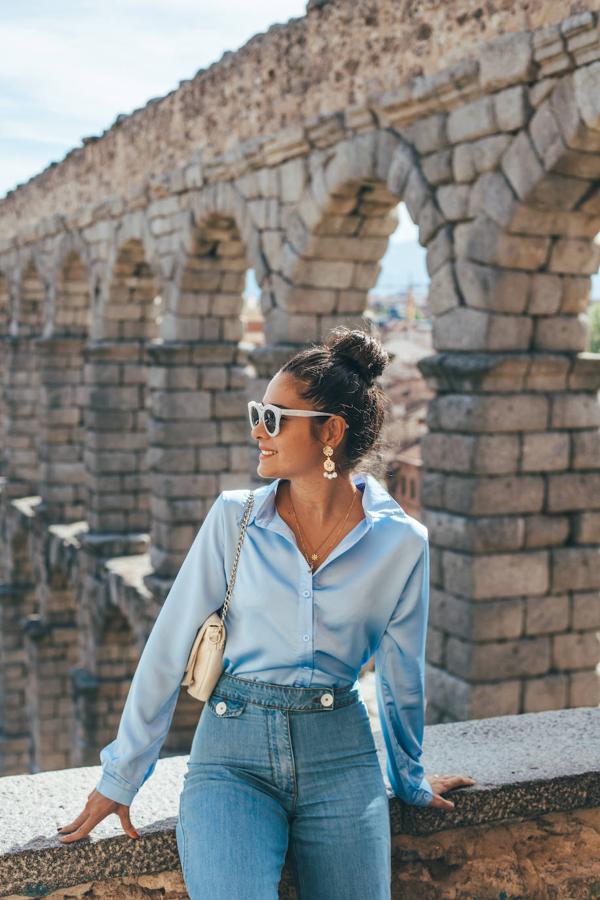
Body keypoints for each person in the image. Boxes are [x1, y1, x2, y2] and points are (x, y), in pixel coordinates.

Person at [57, 325, 475, 898]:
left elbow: (403, 676)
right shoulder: (234, 518)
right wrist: (122, 776)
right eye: (260, 411)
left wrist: (408, 777)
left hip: (343, 755)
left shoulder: (403, 544)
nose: (258, 429)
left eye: (275, 417)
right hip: (231, 756)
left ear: (330, 431)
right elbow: (167, 646)